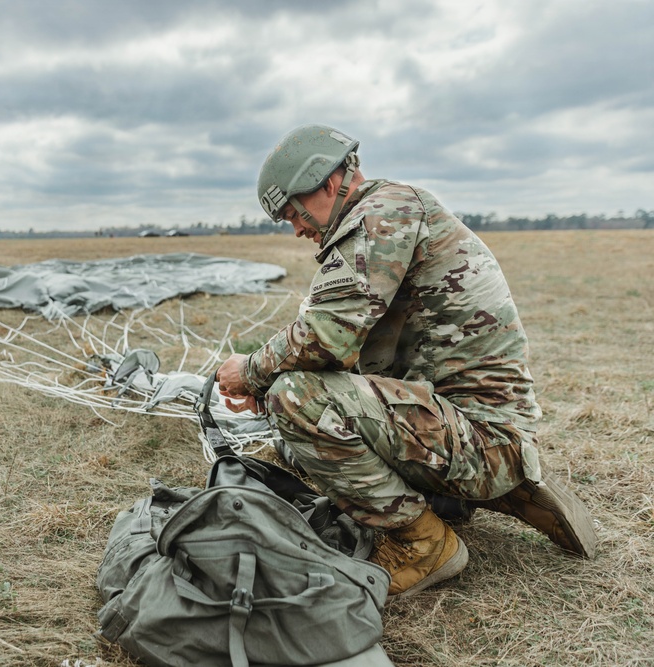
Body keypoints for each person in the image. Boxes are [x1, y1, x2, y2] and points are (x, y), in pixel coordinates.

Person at [216, 124, 597, 598]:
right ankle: (470, 494)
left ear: (327, 185)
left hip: (481, 439)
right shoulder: (390, 211)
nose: (296, 229)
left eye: (294, 213)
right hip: (466, 424)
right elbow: (340, 344)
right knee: (295, 432)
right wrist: (268, 378)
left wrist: (251, 372)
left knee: (296, 399)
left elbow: (326, 338)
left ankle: (424, 543)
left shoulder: (382, 214)